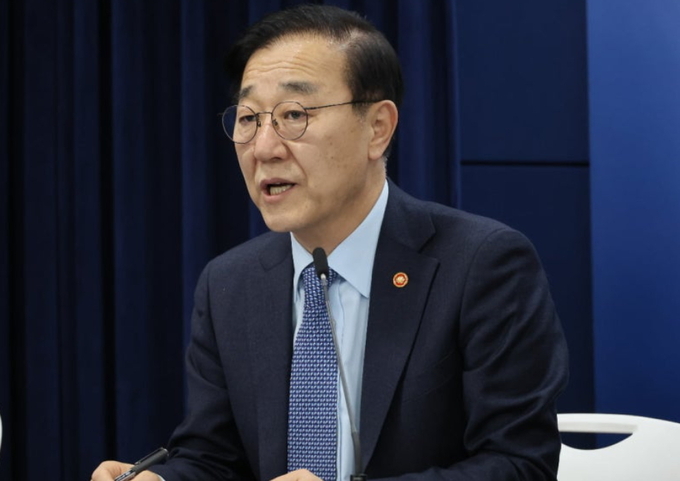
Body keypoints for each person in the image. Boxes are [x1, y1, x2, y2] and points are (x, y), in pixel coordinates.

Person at [92, 4, 568, 481]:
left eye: (294, 114)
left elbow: (520, 464)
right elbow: (213, 458)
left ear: (378, 128)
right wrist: (161, 479)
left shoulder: (481, 264)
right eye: (248, 118)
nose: (264, 148)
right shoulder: (229, 284)